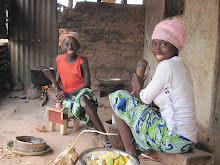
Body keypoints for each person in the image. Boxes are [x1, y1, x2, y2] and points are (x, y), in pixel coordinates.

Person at [109, 18, 198, 160]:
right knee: (148, 110)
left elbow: (143, 99)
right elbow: (157, 101)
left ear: (175, 45)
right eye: (153, 43)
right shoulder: (181, 66)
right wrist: (141, 92)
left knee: (118, 97)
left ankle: (131, 155)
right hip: (188, 139)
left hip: (173, 138)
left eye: (164, 44)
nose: (157, 48)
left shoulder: (166, 66)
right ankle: (149, 152)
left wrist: (138, 85)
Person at [55, 28, 110, 147]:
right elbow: (57, 81)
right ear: (62, 46)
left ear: (78, 46)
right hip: (67, 95)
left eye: (74, 44)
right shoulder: (59, 59)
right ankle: (90, 121)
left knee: (83, 100)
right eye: (67, 44)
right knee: (66, 110)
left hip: (82, 92)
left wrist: (69, 94)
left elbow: (87, 83)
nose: (70, 46)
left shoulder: (82, 61)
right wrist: (57, 90)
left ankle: (103, 134)